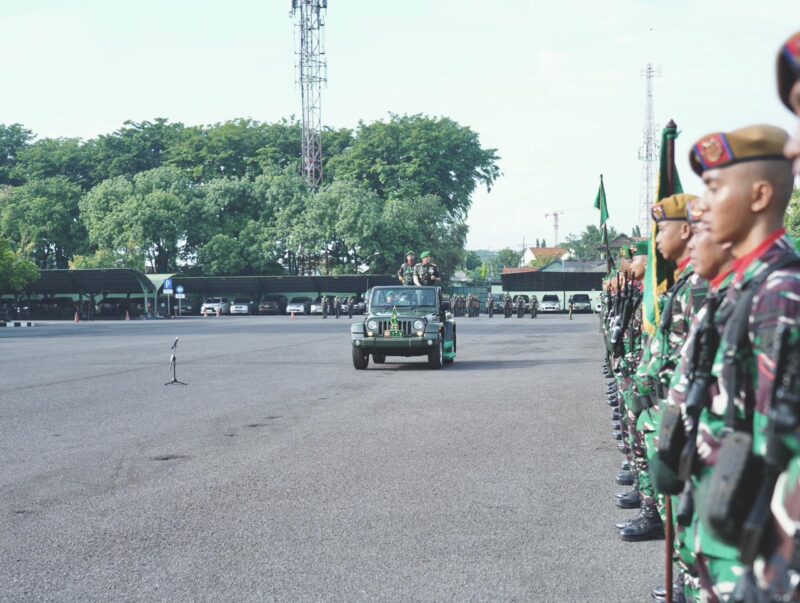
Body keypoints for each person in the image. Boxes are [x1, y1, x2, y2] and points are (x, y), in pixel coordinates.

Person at [689, 123, 799, 603]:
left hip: (767, 540)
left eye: (715, 189)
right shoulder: (746, 285)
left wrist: (774, 574)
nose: (704, 205)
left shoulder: (781, 291)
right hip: (733, 508)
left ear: (759, 195)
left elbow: (782, 443)